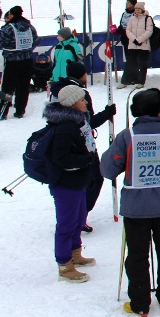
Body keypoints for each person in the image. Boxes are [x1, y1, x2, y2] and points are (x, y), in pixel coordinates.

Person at [100, 88, 160, 315]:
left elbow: (108, 168)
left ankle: (140, 302)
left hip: (137, 207)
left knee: (138, 254)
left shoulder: (127, 136)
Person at [42, 84, 104, 283]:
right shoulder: (65, 127)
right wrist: (85, 160)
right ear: (72, 104)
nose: (86, 102)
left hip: (77, 180)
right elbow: (61, 158)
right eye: (82, 99)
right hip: (65, 183)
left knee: (78, 219)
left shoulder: (77, 122)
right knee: (67, 223)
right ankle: (64, 264)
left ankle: (75, 253)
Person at [49, 61, 117, 232]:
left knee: (74, 181)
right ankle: (80, 216)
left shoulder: (57, 90)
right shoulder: (79, 93)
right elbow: (88, 121)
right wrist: (107, 113)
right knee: (94, 178)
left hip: (62, 140)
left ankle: (76, 216)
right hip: (81, 144)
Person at [0, 6, 38, 119]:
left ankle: (2, 112)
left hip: (13, 61)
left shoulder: (9, 28)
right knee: (23, 87)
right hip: (27, 60)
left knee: (7, 88)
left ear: (12, 15)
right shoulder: (30, 27)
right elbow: (36, 41)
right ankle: (20, 110)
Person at [124, 1, 154, 86]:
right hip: (132, 45)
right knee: (130, 62)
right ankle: (125, 81)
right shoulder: (132, 18)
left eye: (139, 9)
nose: (137, 10)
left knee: (142, 64)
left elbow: (149, 31)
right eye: (136, 8)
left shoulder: (147, 18)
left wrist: (139, 40)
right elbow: (128, 30)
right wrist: (134, 39)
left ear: (142, 10)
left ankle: (141, 82)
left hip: (143, 45)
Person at [115, 0, 137, 82]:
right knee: (129, 58)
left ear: (133, 4)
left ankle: (133, 77)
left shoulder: (136, 14)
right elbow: (121, 25)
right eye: (126, 2)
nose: (127, 4)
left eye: (128, 2)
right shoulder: (124, 13)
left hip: (133, 39)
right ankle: (131, 76)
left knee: (133, 59)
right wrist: (118, 30)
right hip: (125, 38)